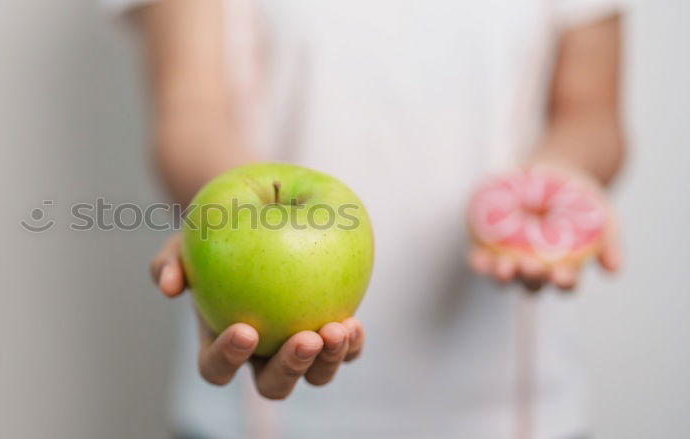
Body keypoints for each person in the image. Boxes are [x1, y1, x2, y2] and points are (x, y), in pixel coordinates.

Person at [109, 0, 626, 436]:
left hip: (515, 405)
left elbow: (591, 113)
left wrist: (555, 182)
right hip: (260, 418)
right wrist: (218, 230)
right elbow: (190, 109)